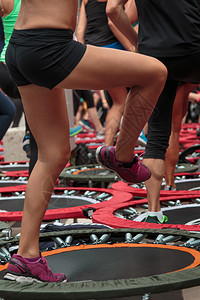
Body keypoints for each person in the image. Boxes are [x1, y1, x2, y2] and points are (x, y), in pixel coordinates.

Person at [4, 0, 167, 282]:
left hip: (20, 47)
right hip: (50, 46)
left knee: (52, 154)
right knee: (155, 72)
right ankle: (123, 155)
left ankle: (26, 257)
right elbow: (112, 8)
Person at [103, 0, 200, 223]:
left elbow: (112, 10)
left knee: (157, 136)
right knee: (175, 127)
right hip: (195, 48)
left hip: (156, 54)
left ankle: (154, 212)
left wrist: (137, 43)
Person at [76, 0, 137, 146]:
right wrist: (132, 48)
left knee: (119, 102)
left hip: (92, 52)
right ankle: (128, 142)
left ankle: (109, 148)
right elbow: (113, 22)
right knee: (137, 95)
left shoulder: (85, 1)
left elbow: (80, 32)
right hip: (114, 50)